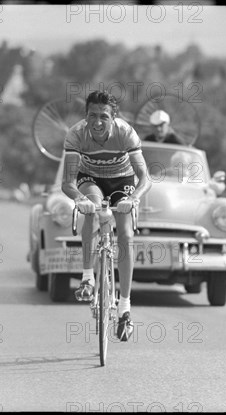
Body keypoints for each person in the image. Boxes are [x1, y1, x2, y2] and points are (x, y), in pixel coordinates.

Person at [61, 90, 152, 341]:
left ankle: (124, 307)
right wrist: (79, 200)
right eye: (92, 115)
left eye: (104, 116)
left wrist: (133, 199)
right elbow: (67, 182)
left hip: (121, 180)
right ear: (85, 116)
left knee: (124, 233)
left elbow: (145, 179)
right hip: (90, 178)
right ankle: (88, 278)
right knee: (91, 205)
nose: (98, 122)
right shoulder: (76, 134)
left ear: (114, 118)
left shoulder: (126, 133)